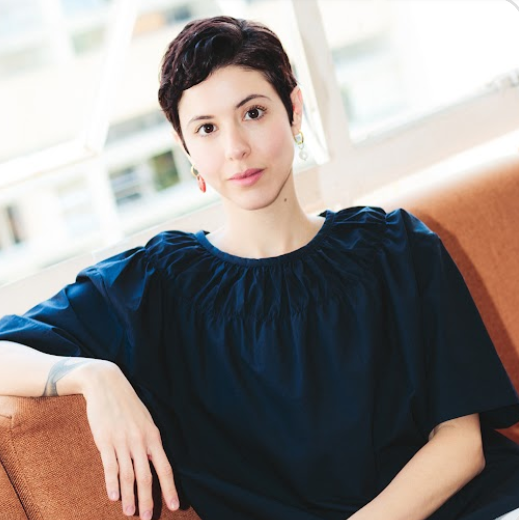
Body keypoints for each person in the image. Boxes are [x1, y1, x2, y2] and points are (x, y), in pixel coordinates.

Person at [1, 15, 519, 520]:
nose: (235, 149)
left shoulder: (396, 246)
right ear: (186, 149)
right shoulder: (152, 287)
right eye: (206, 128)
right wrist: (91, 374)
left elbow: (461, 445)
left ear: (293, 111)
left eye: (253, 112)